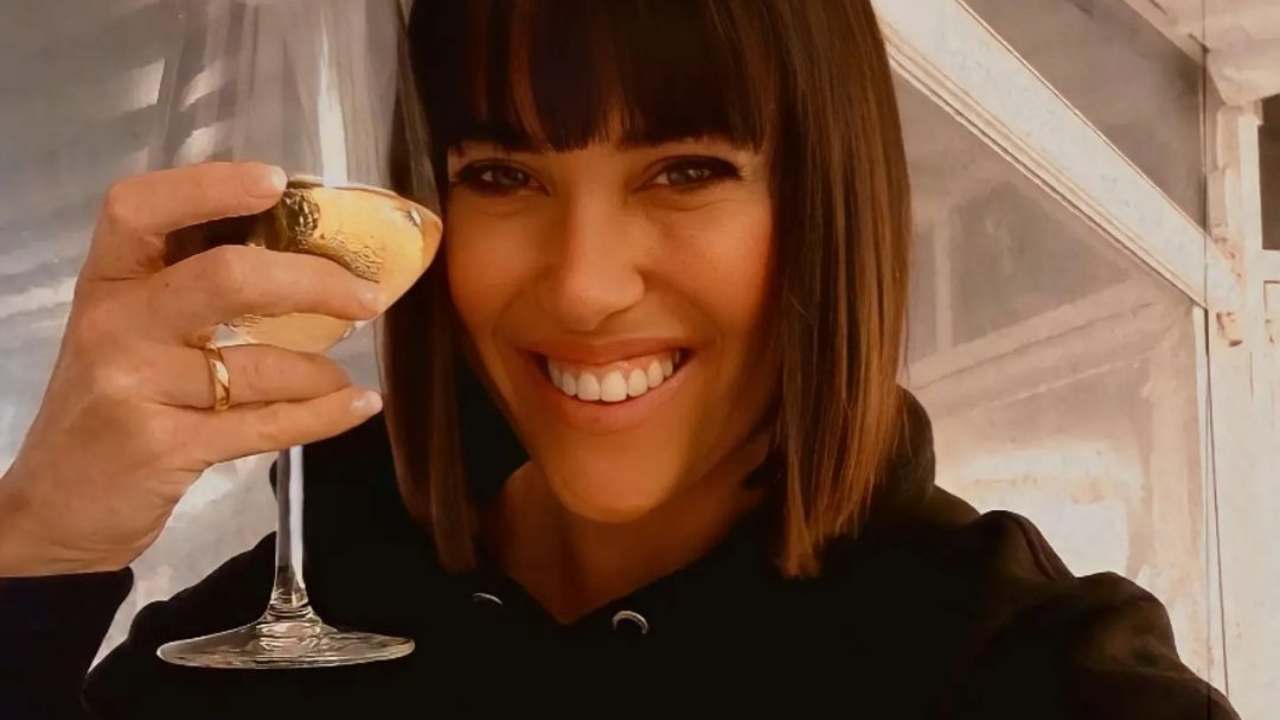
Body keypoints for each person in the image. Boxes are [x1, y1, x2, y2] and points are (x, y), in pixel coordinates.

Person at [0, 0, 1241, 717]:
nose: (583, 286)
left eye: (686, 170)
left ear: (825, 205)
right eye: (502, 176)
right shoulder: (305, 603)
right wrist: (41, 551)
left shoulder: (1025, 669)